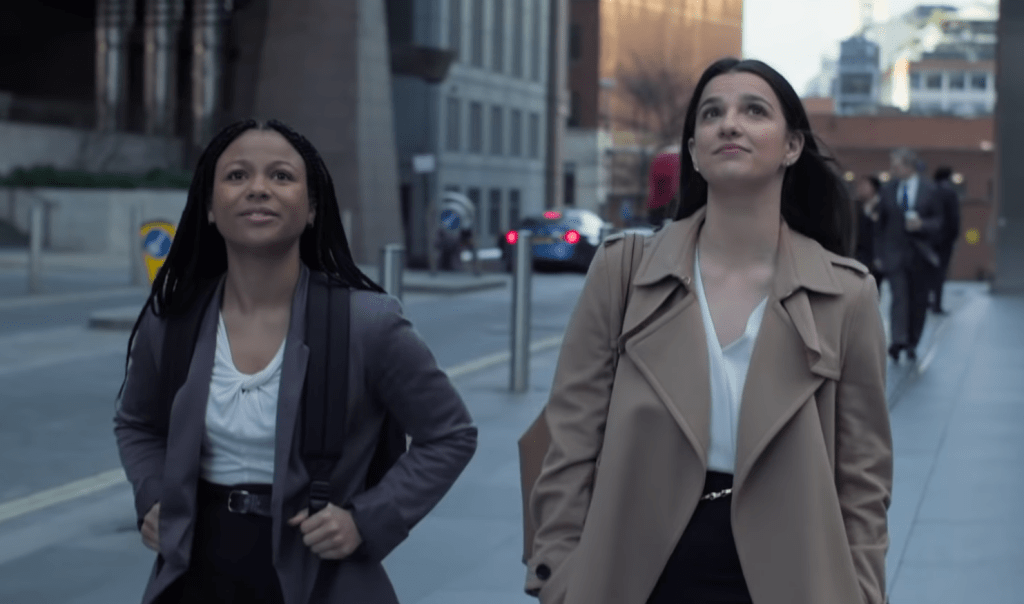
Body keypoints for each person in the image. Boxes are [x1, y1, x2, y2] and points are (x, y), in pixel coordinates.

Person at [525, 58, 892, 604]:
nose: (730, 124)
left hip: (793, 573)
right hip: (634, 571)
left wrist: (860, 591)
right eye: (712, 113)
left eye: (754, 111)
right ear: (694, 151)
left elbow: (864, 475)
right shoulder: (624, 271)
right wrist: (560, 569)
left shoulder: (846, 294)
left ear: (792, 146)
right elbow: (569, 435)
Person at [114, 119, 478, 604]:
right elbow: (136, 423)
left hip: (319, 575)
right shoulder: (172, 320)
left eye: (281, 176)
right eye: (237, 176)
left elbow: (450, 434)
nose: (258, 189)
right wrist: (153, 496)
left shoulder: (367, 322)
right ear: (209, 207)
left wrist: (367, 520)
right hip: (195, 573)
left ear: (311, 209)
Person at [874, 147, 946, 362]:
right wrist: (879, 254)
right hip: (894, 254)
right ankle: (898, 340)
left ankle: (913, 341)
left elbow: (939, 222)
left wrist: (922, 224)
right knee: (898, 297)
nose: (892, 169)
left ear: (908, 166)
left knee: (918, 300)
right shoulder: (888, 190)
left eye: (896, 166)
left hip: (920, 254)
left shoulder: (930, 190)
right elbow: (880, 225)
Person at [930, 166, 961, 313]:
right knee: (941, 272)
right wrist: (954, 237)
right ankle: (937, 304)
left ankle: (926, 301)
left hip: (928, 239)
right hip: (945, 240)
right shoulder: (950, 193)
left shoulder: (929, 190)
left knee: (927, 271)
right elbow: (954, 218)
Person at [854, 174, 885, 293]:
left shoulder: (884, 206)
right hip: (859, 256)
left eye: (864, 185)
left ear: (873, 187)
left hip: (877, 257)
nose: (860, 188)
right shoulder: (856, 206)